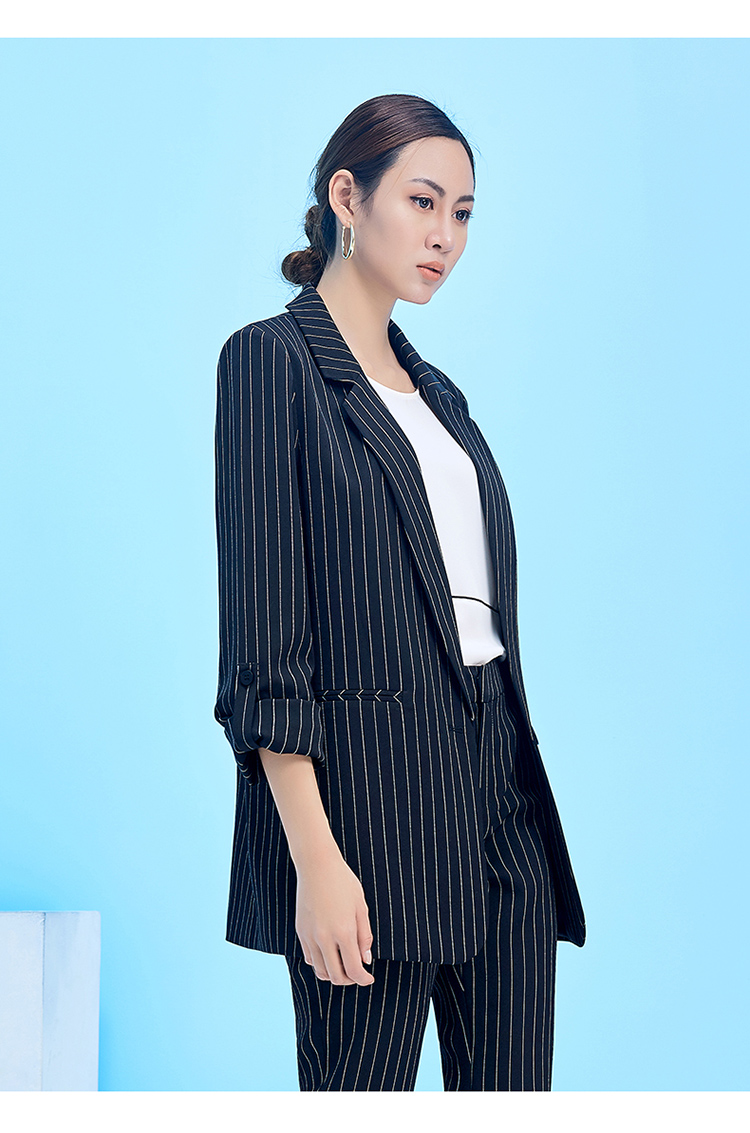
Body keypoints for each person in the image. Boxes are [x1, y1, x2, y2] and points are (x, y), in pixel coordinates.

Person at [213, 92, 586, 1092]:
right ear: (348, 196)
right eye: (423, 202)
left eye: (463, 213)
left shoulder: (443, 397)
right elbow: (265, 645)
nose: (445, 236)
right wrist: (316, 860)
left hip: (500, 791)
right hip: (365, 806)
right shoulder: (271, 362)